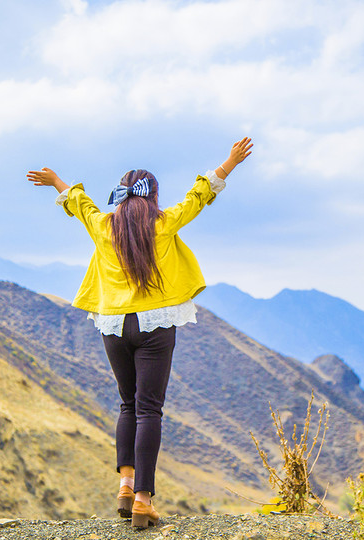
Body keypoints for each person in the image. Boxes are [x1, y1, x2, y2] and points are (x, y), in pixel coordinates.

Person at [26, 137, 253, 528]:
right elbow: (197, 197)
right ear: (152, 198)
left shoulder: (102, 225)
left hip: (113, 325)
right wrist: (229, 163)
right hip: (154, 326)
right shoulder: (163, 224)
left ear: (121, 197)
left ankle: (126, 486)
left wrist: (56, 181)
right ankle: (144, 501)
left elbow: (79, 204)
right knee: (149, 409)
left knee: (127, 405)